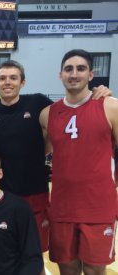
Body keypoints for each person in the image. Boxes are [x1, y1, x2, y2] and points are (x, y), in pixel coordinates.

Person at [0, 60, 111, 252]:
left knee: (35, 251)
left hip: (36, 192)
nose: (8, 82)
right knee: (6, 250)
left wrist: (99, 93)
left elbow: (74, 110)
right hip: (3, 193)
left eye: (13, 78)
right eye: (2, 78)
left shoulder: (38, 102)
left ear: (22, 82)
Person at [39, 49, 118, 275]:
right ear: (60, 75)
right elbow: (40, 154)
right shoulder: (48, 114)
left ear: (91, 75)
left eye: (81, 69)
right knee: (68, 270)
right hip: (62, 208)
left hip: (98, 207)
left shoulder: (110, 106)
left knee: (94, 271)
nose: (74, 74)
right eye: (68, 69)